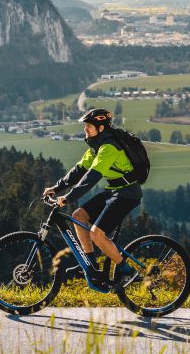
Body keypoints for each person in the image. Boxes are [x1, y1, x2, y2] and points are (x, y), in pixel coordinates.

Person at [43, 108, 142, 286]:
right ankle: (90, 266)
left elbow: (91, 178)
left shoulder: (109, 148)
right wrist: (56, 188)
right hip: (114, 190)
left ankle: (127, 271)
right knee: (78, 216)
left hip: (128, 193)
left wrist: (68, 198)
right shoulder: (96, 147)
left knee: (97, 234)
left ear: (101, 128)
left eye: (89, 125)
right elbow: (79, 171)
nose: (85, 129)